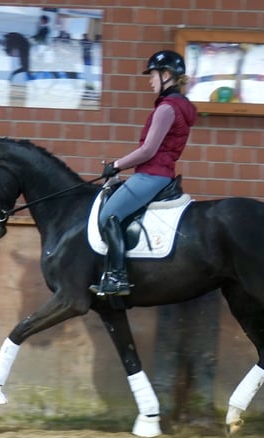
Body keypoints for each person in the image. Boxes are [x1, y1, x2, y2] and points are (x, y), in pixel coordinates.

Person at [90, 50, 197, 297]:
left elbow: (148, 150)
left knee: (108, 215)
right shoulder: (176, 107)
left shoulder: (167, 109)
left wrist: (116, 165)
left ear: (167, 75)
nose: (150, 81)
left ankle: (117, 277)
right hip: (159, 173)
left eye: (153, 75)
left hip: (152, 174)